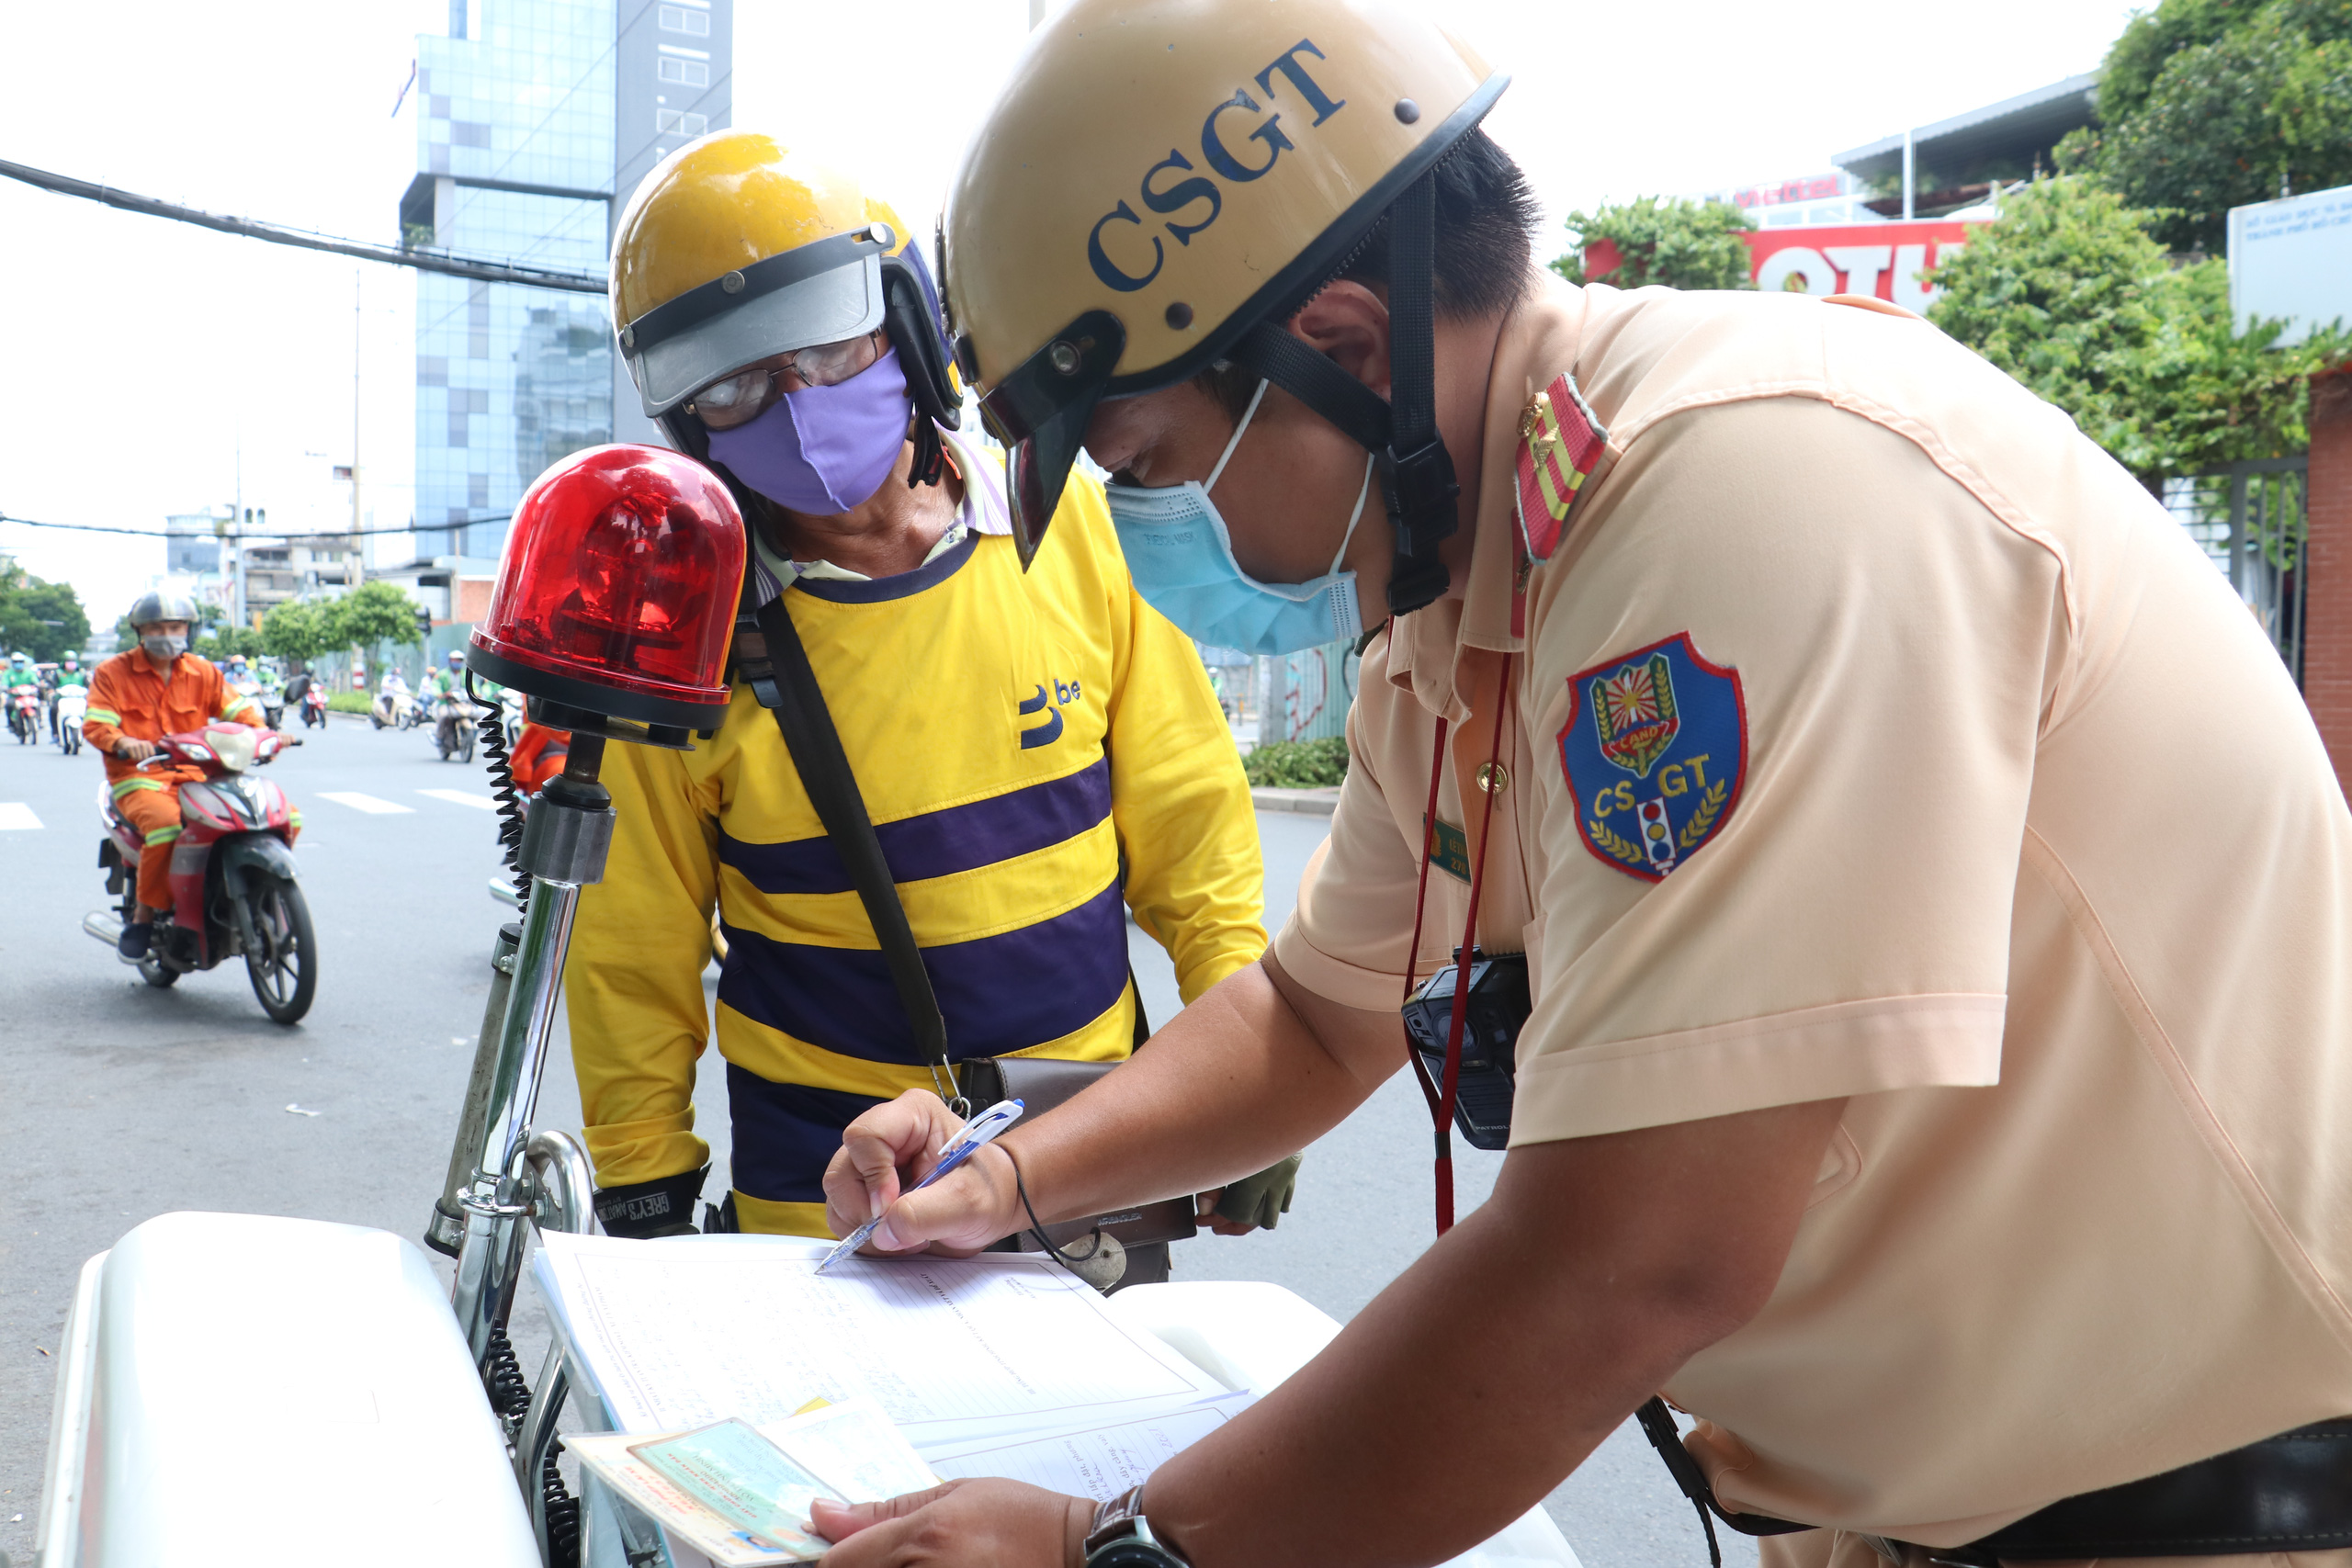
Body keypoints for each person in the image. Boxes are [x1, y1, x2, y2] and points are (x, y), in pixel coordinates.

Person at [809, 5, 2352, 1568]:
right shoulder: (1458, 593)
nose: (1143, 525)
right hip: (1886, 1521)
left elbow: (1638, 1255)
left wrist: (1105, 1549)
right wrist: (1007, 1173)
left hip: (2219, 1520)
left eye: (1142, 462)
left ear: (1333, 350)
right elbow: (1318, 1012)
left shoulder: (1752, 492)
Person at [562, 132, 1288, 1275]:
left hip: (1082, 1155)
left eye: (825, 346)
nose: (793, 405)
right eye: (736, 380)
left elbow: (1189, 823)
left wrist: (1243, 1067)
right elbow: (629, 943)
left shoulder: (1063, 520)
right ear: (686, 416)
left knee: (1099, 1454)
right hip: (826, 1201)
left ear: (906, 324)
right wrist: (645, 1183)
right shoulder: (682, 629)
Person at [83, 592, 265, 959]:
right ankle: (144, 917)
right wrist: (123, 741)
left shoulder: (204, 671)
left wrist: (264, 734)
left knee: (275, 815)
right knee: (167, 828)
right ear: (140, 632)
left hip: (200, 774)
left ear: (188, 630)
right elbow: (97, 725)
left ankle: (255, 892)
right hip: (140, 777)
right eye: (156, 628)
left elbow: (240, 711)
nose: (167, 634)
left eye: (176, 627)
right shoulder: (112, 673)